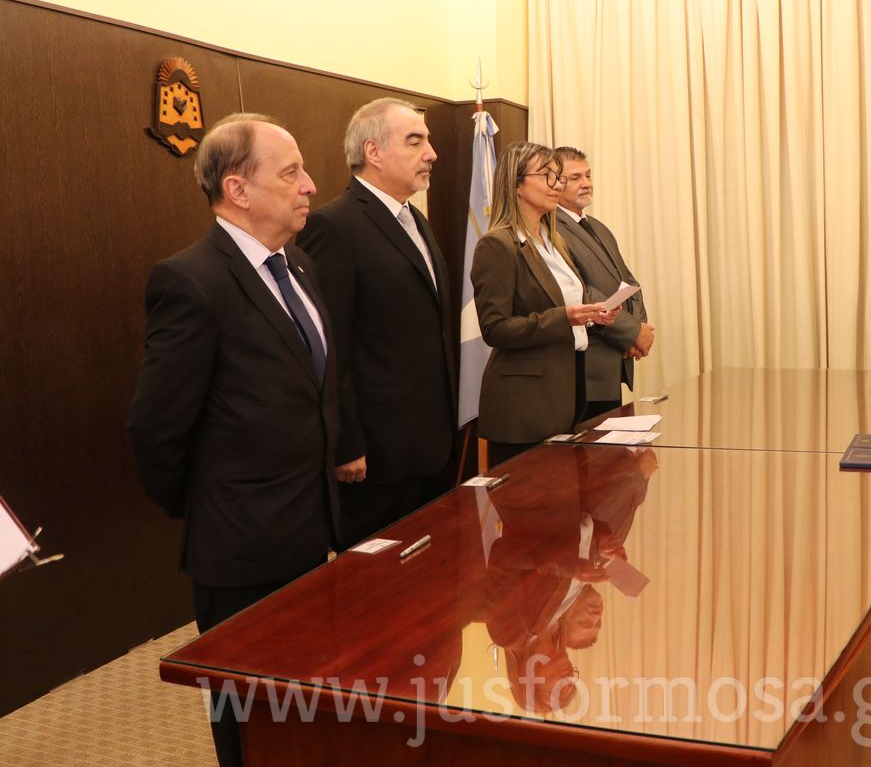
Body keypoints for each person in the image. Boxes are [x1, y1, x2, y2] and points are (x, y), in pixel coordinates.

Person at [128, 113, 340, 767]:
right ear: (237, 189)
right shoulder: (191, 280)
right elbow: (155, 428)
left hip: (309, 533)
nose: (309, 185)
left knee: (303, 713)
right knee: (247, 725)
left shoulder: (298, 265)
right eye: (291, 172)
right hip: (239, 548)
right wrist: (211, 504)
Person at [295, 98, 457, 547]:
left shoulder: (416, 222)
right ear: (373, 152)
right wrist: (346, 443)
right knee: (379, 597)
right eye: (416, 141)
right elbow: (331, 346)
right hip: (377, 456)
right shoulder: (334, 226)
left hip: (431, 443)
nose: (432, 153)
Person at [471, 142, 617, 465]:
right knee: (532, 510)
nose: (557, 185)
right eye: (547, 176)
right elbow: (495, 328)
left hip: (567, 392)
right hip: (524, 407)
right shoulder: (498, 244)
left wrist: (592, 316)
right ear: (517, 184)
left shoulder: (554, 242)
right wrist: (563, 317)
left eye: (558, 177)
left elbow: (566, 307)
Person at [553, 146, 655, 420]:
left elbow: (629, 283)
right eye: (575, 178)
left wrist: (639, 330)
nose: (586, 183)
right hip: (587, 369)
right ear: (554, 181)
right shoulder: (550, 229)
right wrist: (632, 332)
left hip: (613, 360)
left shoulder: (597, 227)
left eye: (587, 175)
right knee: (592, 458)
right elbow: (580, 293)